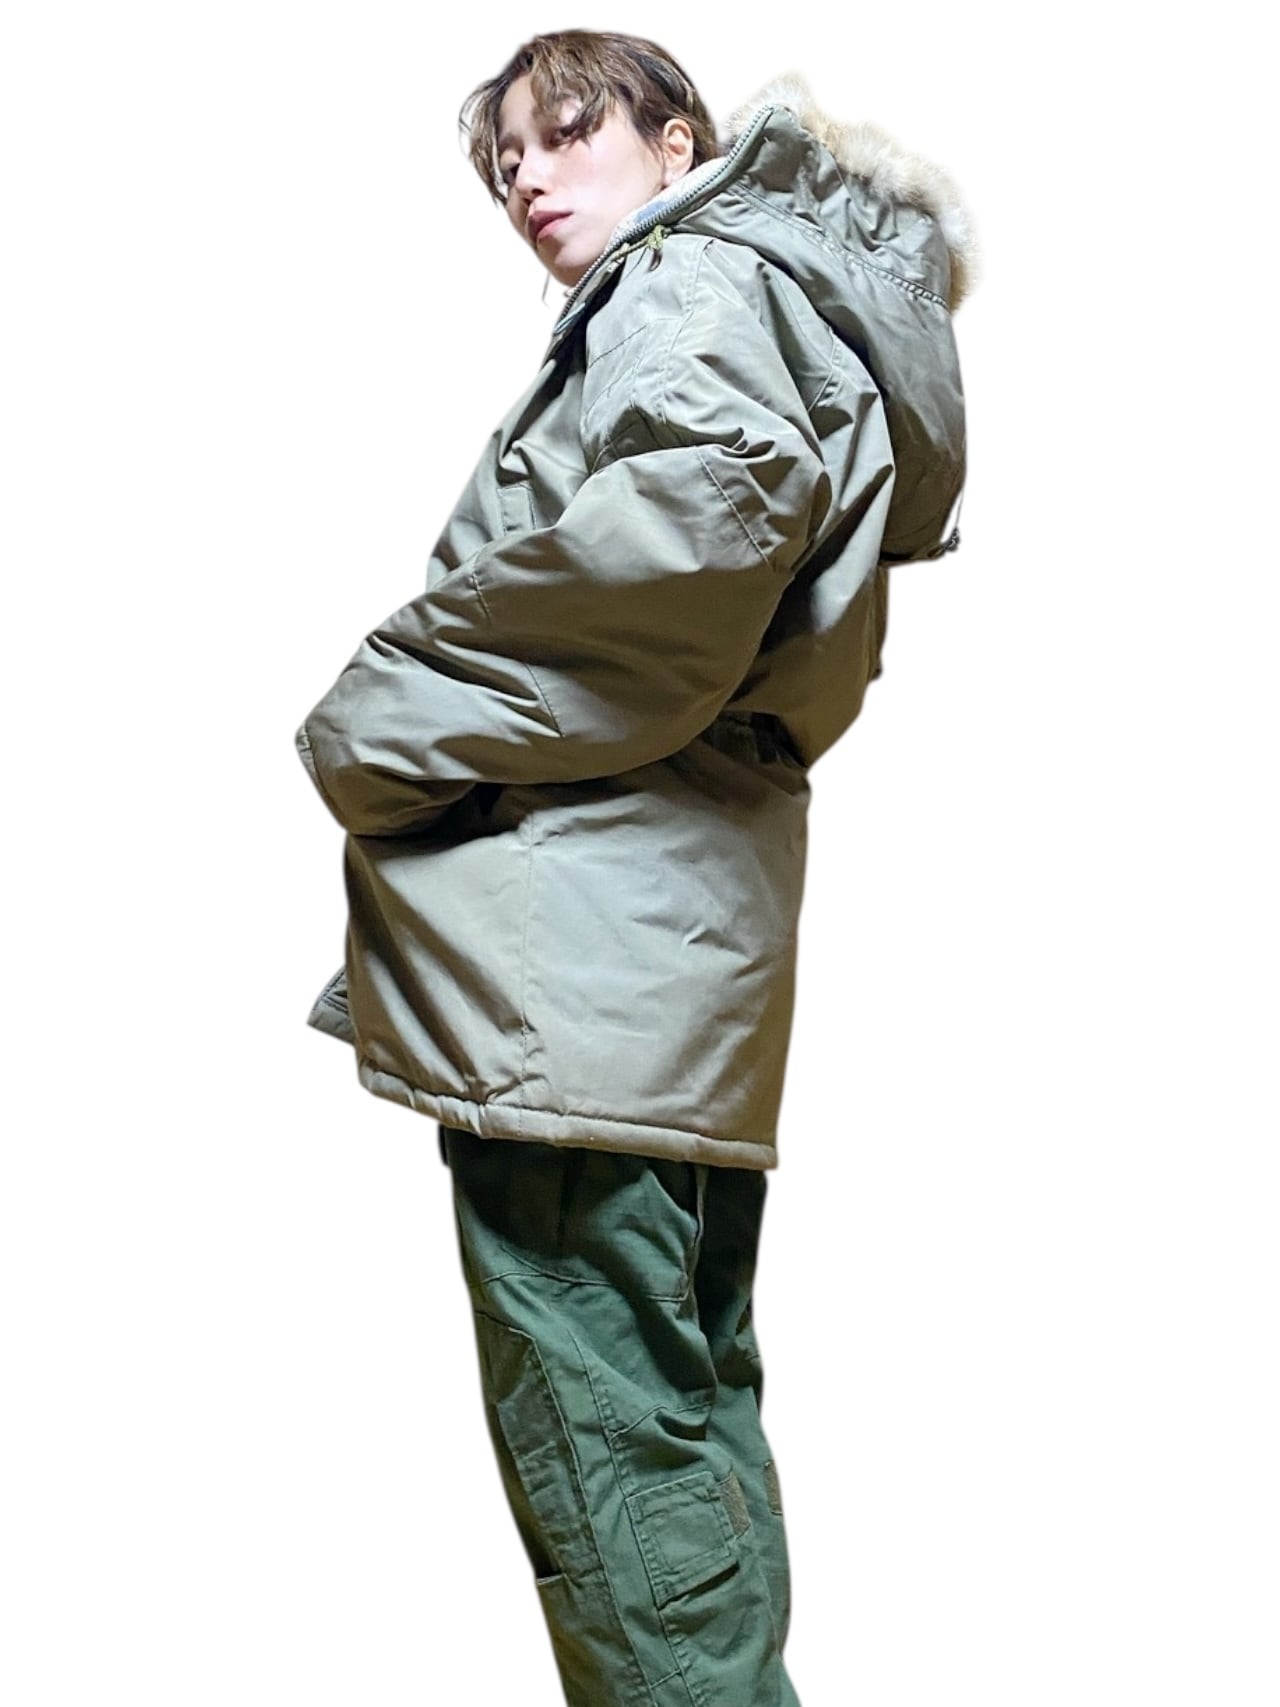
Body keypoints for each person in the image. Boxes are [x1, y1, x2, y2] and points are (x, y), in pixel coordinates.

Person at [295, 28, 973, 1706]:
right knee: (681, 1430)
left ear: (680, 142)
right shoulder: (783, 304)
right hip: (663, 977)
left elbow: (701, 522)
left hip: (577, 993)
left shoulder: (687, 282)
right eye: (504, 162)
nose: (528, 178)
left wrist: (375, 715)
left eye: (567, 130)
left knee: (616, 1469)